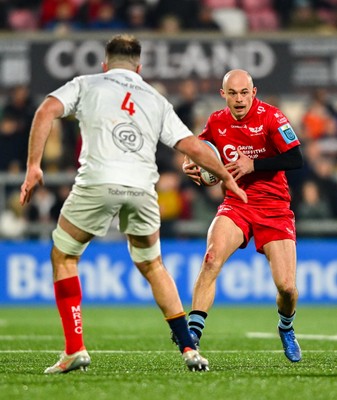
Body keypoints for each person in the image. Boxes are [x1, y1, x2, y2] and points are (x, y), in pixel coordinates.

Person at [20, 34, 247, 374]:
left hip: (98, 181)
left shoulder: (87, 83)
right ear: (139, 68)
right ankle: (189, 348)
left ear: (104, 64)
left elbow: (45, 111)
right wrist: (227, 178)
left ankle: (74, 349)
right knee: (153, 264)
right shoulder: (155, 98)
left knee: (64, 255)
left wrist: (34, 166)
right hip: (143, 188)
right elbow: (193, 147)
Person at [180, 69, 304, 363]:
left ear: (253, 92)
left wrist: (255, 165)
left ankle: (285, 326)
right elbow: (197, 148)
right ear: (223, 95)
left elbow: (296, 158)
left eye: (244, 93)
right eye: (232, 93)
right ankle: (192, 334)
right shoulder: (216, 120)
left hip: (274, 207)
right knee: (211, 258)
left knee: (287, 287)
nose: (239, 99)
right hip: (237, 202)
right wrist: (190, 162)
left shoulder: (272, 117)